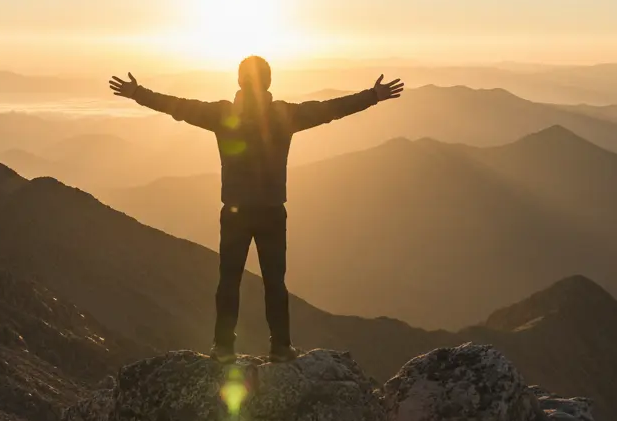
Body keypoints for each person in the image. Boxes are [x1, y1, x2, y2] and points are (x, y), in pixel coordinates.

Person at [109, 56, 403, 363]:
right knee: (274, 282)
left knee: (229, 279)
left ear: (239, 82)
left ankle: (223, 347)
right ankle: (280, 347)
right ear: (269, 82)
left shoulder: (223, 114)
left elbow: (177, 107)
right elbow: (330, 110)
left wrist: (138, 93)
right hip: (271, 211)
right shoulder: (284, 115)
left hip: (234, 211)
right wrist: (372, 96)